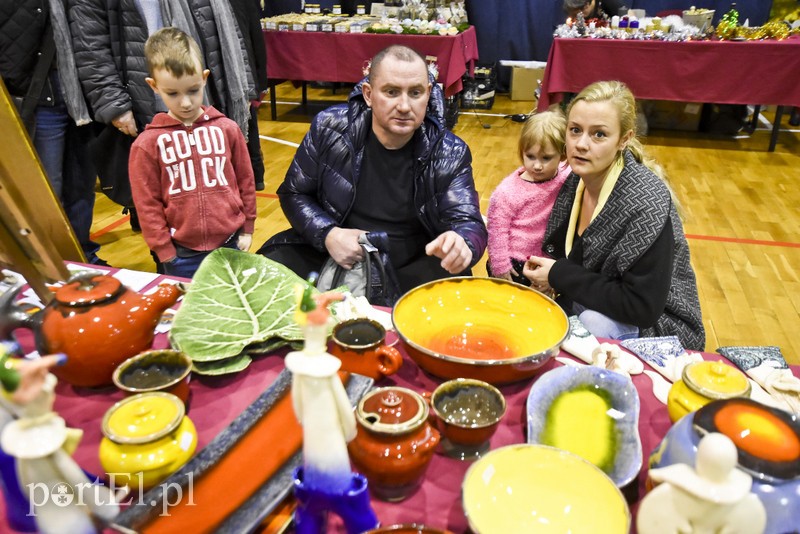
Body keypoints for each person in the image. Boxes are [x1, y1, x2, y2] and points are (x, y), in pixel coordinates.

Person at [259, 45, 487, 296]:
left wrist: (462, 243)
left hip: (411, 262)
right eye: (391, 92)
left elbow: (468, 222)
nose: (404, 105)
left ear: (429, 94)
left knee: (458, 294)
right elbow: (294, 193)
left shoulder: (450, 152)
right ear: (368, 94)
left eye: (415, 93)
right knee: (263, 278)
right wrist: (328, 234)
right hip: (337, 253)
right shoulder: (329, 128)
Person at [523, 81, 705, 350]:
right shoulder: (576, 178)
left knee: (592, 325)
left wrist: (558, 275)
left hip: (659, 324)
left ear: (624, 139)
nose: (581, 144)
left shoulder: (646, 203)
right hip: (595, 298)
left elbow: (641, 307)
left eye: (598, 135)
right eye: (575, 130)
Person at [67, 0, 255, 233]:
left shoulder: (225, 126)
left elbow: (227, 25)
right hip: (146, 105)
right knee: (164, 198)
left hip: (205, 98)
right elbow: (90, 42)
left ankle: (218, 249)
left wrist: (242, 83)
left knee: (216, 183)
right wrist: (115, 104)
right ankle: (169, 258)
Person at [128, 28, 256, 278]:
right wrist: (164, 250)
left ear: (204, 78)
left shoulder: (227, 129)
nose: (185, 102)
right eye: (173, 93)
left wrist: (247, 228)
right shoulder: (147, 144)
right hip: (181, 253)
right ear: (154, 86)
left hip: (231, 243)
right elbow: (147, 203)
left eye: (193, 90)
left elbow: (245, 181)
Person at [0, 0, 107, 265]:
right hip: (37, 92)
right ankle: (50, 263)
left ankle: (83, 256)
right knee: (48, 191)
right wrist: (17, 77)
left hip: (80, 91)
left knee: (82, 184)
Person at [486, 110, 571, 286]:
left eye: (546, 158)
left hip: (547, 260)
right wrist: (500, 265)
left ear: (562, 155)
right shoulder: (507, 191)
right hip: (515, 261)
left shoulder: (566, 175)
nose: (537, 166)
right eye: (530, 156)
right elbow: (496, 230)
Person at [229, 0, 268, 191]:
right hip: (243, 74)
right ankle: (253, 175)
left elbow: (256, 39)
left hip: (243, 75)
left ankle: (255, 175)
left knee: (248, 124)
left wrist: (259, 80)